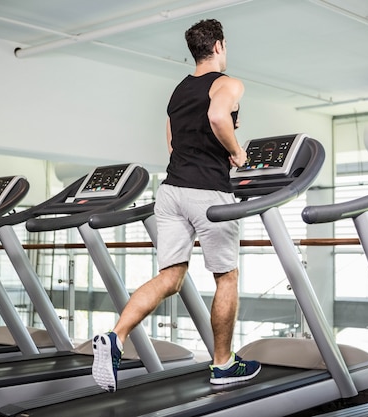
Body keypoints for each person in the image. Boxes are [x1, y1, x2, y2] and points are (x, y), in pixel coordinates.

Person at [91, 18, 260, 392]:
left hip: (171, 191)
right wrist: (237, 153)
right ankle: (222, 364)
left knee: (170, 277)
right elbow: (218, 116)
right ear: (219, 45)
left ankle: (116, 337)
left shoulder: (179, 91)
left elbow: (171, 144)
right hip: (208, 191)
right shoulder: (228, 84)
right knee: (226, 277)